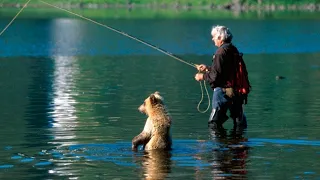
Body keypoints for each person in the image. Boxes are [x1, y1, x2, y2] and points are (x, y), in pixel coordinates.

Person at [194, 25, 248, 129]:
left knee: (214, 124)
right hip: (236, 91)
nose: (212, 39)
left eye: (214, 36)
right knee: (239, 122)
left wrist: (202, 76)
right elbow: (225, 70)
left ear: (220, 38)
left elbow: (215, 77)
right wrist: (208, 68)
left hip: (223, 92)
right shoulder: (232, 49)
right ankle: (238, 143)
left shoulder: (220, 52)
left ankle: (218, 145)